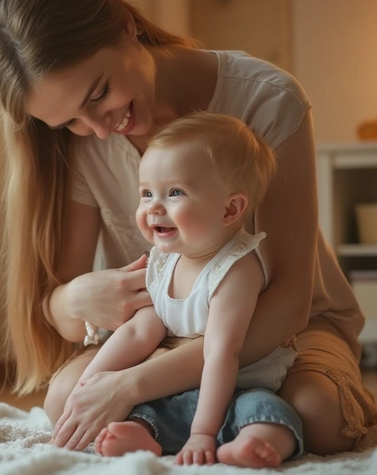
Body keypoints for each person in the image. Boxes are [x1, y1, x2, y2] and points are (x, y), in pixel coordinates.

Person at [0, 0, 377, 456]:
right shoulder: (81, 141)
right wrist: (76, 298)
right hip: (158, 331)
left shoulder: (266, 98)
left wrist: (131, 386)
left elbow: (288, 301)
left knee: (316, 416)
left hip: (282, 332)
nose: (100, 129)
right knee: (65, 400)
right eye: (70, 120)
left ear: (126, 27)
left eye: (98, 94)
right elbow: (61, 313)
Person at [75, 112, 300, 467]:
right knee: (146, 409)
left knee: (268, 412)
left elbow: (222, 354)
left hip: (240, 384)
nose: (153, 207)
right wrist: (86, 388)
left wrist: (202, 434)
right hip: (181, 386)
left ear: (230, 209)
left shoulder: (236, 270)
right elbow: (137, 331)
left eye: (174, 192)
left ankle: (252, 444)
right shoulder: (165, 262)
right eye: (146, 193)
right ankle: (142, 436)